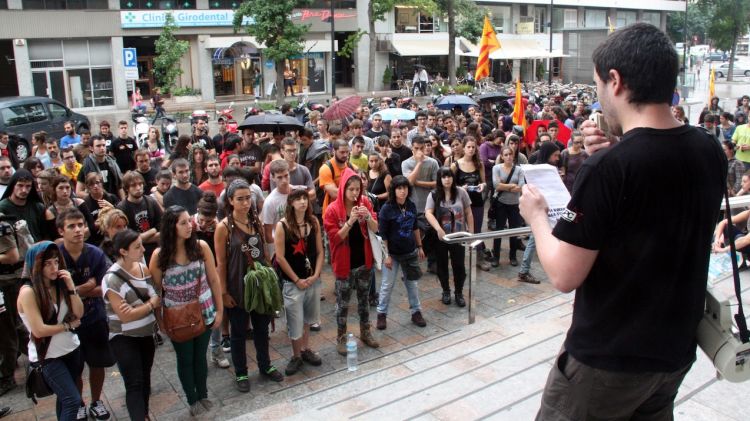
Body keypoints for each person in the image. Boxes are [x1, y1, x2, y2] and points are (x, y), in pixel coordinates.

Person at [522, 23, 726, 419]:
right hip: (672, 355)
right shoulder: (708, 149)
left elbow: (565, 275)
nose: (599, 99)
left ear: (615, 81)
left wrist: (536, 218)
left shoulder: (607, 168)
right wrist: (619, 149)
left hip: (607, 362)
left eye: (598, 85)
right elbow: (659, 183)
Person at [149, 205, 223, 416]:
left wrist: (219, 311)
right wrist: (159, 320)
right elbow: (156, 291)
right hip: (176, 316)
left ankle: (203, 394)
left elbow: (214, 280)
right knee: (185, 358)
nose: (189, 226)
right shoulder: (159, 255)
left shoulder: (201, 247)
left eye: (189, 221)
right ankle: (192, 399)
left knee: (200, 356)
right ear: (171, 227)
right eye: (183, 223)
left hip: (204, 310)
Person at [215, 179, 283, 392]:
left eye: (248, 198)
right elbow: (221, 263)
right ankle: (241, 372)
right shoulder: (223, 228)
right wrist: (224, 292)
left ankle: (265, 365)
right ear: (230, 201)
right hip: (237, 287)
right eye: (240, 199)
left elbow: (263, 251)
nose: (245, 203)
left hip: (259, 286)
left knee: (262, 328)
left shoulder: (255, 221)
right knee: (238, 332)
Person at [56, 208, 114, 421]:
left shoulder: (95, 254)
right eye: (71, 226)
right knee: (75, 367)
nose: (78, 230)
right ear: (61, 230)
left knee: (97, 363)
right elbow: (56, 293)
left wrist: (77, 289)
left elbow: (104, 288)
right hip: (68, 322)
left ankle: (96, 401)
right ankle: (78, 402)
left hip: (95, 317)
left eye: (81, 225)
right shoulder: (56, 257)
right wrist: (84, 287)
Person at [17, 241, 84, 421]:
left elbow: (79, 313)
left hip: (71, 349)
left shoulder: (60, 284)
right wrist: (67, 326)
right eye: (47, 264)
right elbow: (39, 330)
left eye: (56, 261)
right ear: (37, 265)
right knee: (72, 400)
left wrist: (71, 287)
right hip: (47, 356)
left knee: (65, 398)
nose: (54, 267)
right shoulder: (28, 292)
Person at [101, 229, 160, 421]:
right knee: (134, 383)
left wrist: (138, 307)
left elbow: (153, 296)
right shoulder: (111, 279)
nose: (143, 249)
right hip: (124, 338)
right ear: (123, 251)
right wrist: (150, 304)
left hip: (146, 334)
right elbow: (125, 316)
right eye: (137, 246)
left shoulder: (143, 269)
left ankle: (143, 415)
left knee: (145, 380)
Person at [323, 168, 380, 355]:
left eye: (358, 189)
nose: (356, 193)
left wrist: (368, 217)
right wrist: (350, 221)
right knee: (343, 303)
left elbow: (376, 227)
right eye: (351, 189)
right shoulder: (332, 210)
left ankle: (366, 332)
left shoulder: (365, 202)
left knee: (364, 300)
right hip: (344, 264)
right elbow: (335, 238)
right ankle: (341, 337)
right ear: (343, 189)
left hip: (364, 261)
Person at [274, 188, 324, 375]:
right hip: (292, 281)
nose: (303, 202)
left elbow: (319, 251)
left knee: (308, 318)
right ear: (291, 203)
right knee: (295, 319)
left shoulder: (313, 222)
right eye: (298, 199)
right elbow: (280, 257)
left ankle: (305, 349)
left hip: (312, 279)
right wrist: (296, 280)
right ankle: (296, 355)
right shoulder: (283, 226)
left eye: (305, 198)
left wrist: (316, 274)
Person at [375, 175, 426, 329]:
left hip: (409, 251)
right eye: (399, 188)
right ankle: (381, 314)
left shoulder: (410, 205)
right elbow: (382, 235)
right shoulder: (387, 209)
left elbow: (415, 227)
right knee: (387, 285)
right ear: (393, 190)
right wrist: (386, 256)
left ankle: (416, 312)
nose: (402, 191)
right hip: (393, 254)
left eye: (405, 188)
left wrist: (420, 246)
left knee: (412, 284)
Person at [425, 168, 472, 306]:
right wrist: (438, 229)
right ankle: (445, 291)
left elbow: (469, 213)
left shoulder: (461, 192)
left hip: (458, 236)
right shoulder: (433, 194)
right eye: (444, 177)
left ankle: (459, 292)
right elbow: (428, 213)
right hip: (441, 238)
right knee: (442, 265)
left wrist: (471, 233)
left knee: (459, 266)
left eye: (449, 176)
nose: (447, 179)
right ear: (439, 179)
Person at [451, 136, 489, 270]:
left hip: (477, 200)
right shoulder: (456, 165)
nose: (471, 149)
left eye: (473, 147)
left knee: (477, 230)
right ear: (463, 147)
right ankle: (458, 258)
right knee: (459, 230)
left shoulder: (479, 164)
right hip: (460, 202)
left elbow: (484, 181)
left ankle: (479, 257)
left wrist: (483, 186)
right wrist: (461, 188)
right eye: (469, 147)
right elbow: (448, 184)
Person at [117, 171, 162, 263]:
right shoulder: (121, 208)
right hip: (135, 255)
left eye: (140, 184)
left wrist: (142, 238)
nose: (138, 188)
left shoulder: (151, 201)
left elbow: (162, 227)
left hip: (156, 250)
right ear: (127, 188)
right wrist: (153, 231)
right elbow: (127, 238)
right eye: (133, 185)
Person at [490, 146, 525, 267]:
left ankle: (513, 256)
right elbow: (496, 185)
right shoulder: (496, 168)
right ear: (502, 156)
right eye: (506, 154)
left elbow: (520, 187)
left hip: (514, 204)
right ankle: (496, 257)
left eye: (510, 154)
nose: (508, 156)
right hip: (501, 203)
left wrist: (504, 185)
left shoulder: (519, 170)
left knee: (514, 231)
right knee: (498, 230)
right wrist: (512, 186)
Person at [0, 169, 54, 241]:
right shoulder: (2, 208)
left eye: (28, 186)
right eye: (20, 185)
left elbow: (48, 235)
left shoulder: (38, 207)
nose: (24, 190)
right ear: (13, 185)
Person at [0, 212, 21, 397]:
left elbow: (12, 256)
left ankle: (6, 377)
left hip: (6, 283)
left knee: (7, 329)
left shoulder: (2, 226)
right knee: (14, 326)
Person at [81, 173, 117, 246]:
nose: (95, 186)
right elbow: (84, 227)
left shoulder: (111, 198)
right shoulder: (85, 203)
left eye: (97, 182)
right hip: (95, 240)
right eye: (91, 184)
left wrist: (112, 207)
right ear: (87, 187)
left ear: (102, 183)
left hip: (113, 236)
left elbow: (121, 216)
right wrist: (96, 225)